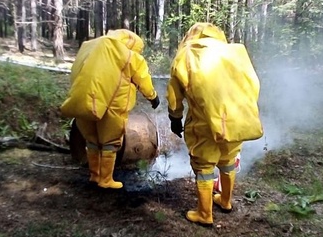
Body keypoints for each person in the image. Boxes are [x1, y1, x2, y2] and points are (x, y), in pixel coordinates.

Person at [167, 22, 263, 226]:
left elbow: (174, 95)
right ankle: (226, 201)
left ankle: (204, 213)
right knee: (228, 160)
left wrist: (175, 118)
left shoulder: (186, 54)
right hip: (235, 119)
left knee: (205, 166)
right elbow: (253, 84)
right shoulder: (236, 52)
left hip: (204, 123)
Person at [61, 29, 160, 189]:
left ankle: (94, 175)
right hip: (112, 105)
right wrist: (153, 96)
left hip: (85, 100)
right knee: (110, 142)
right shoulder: (128, 54)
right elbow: (142, 78)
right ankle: (106, 179)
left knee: (92, 139)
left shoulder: (90, 47)